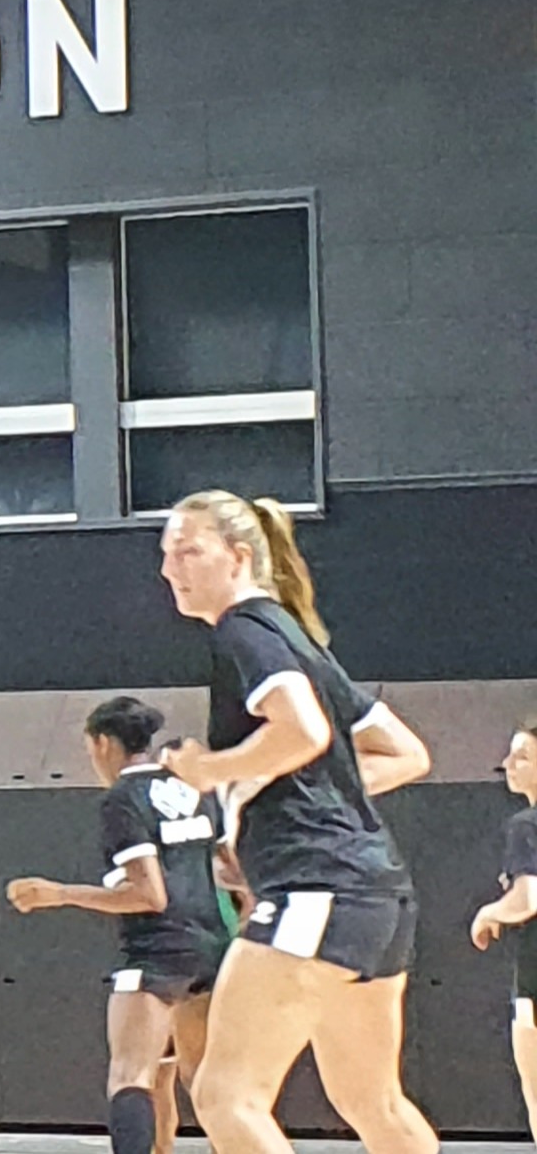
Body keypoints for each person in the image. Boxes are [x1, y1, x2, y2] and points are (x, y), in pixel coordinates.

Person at [152, 491, 434, 1154]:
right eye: (166, 554)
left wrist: (215, 770)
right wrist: (266, 795)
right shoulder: (297, 637)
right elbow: (408, 753)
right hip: (375, 895)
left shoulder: (244, 630)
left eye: (188, 550)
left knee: (227, 1094)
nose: (171, 568)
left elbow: (302, 730)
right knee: (373, 1099)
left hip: (315, 889)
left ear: (239, 555)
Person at [5, 696, 226, 1154]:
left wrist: (59, 894)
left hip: (157, 953)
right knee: (195, 1081)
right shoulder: (194, 787)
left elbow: (149, 894)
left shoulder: (122, 800)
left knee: (130, 1076)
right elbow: (232, 870)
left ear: (103, 743)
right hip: (212, 947)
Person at [469, 719, 537, 1132]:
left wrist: (490, 912)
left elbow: (528, 897)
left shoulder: (526, 825)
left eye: (523, 756)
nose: (506, 764)